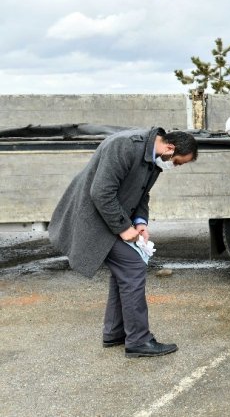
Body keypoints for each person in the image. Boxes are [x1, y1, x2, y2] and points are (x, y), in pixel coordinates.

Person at [48, 128, 198, 358]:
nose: (174, 167)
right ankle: (138, 341)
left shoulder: (153, 157)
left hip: (109, 218)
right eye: (177, 163)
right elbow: (101, 192)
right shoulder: (124, 146)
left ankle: (115, 333)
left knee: (124, 271)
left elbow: (141, 194)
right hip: (92, 218)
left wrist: (140, 222)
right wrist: (124, 229)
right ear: (170, 148)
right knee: (132, 266)